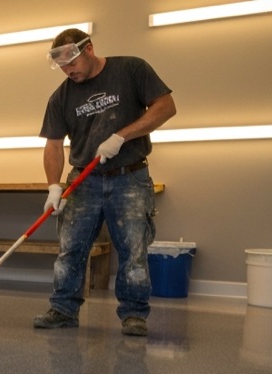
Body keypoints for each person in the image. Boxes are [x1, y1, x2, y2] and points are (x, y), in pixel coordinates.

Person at [34, 29, 177, 337]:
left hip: (130, 176)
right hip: (83, 180)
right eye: (62, 67)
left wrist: (121, 136)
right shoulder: (61, 97)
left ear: (89, 49)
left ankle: (134, 314)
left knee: (134, 250)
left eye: (72, 63)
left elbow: (166, 107)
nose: (68, 71)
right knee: (70, 249)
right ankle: (63, 309)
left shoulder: (131, 69)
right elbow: (54, 145)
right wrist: (53, 186)